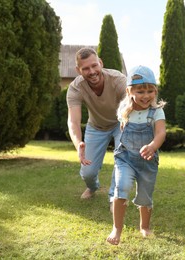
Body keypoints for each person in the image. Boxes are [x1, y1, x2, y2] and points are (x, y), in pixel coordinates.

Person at [106, 65, 166, 245]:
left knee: (145, 196)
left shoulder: (156, 111)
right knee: (121, 188)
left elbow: (161, 133)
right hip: (126, 159)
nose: (146, 96)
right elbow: (123, 132)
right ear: (129, 91)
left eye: (150, 91)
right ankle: (117, 228)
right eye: (140, 91)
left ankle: (145, 226)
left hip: (147, 161)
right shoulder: (125, 110)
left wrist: (153, 145)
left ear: (155, 91)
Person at [66, 47, 126, 201]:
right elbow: (73, 121)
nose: (91, 71)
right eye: (85, 68)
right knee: (88, 172)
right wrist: (78, 143)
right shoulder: (75, 88)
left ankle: (115, 197)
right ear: (78, 70)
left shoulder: (118, 79)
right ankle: (93, 187)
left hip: (121, 124)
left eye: (94, 66)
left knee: (122, 159)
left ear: (100, 63)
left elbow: (132, 106)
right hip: (96, 127)